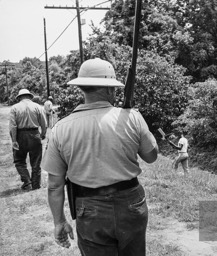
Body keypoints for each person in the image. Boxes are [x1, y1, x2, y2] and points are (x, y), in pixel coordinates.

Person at [42, 58, 158, 255]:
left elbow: (54, 185)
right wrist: (140, 123)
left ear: (82, 88)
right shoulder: (131, 117)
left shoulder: (61, 128)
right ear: (110, 89)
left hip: (89, 207)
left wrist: (59, 222)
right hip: (131, 202)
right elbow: (151, 155)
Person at [9, 89, 47, 190]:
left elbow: (13, 126)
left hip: (20, 135)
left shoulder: (14, 108)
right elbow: (44, 124)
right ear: (30, 97)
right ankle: (35, 185)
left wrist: (14, 140)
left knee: (19, 161)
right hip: (35, 134)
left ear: (19, 97)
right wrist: (42, 134)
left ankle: (27, 182)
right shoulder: (37, 107)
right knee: (36, 162)